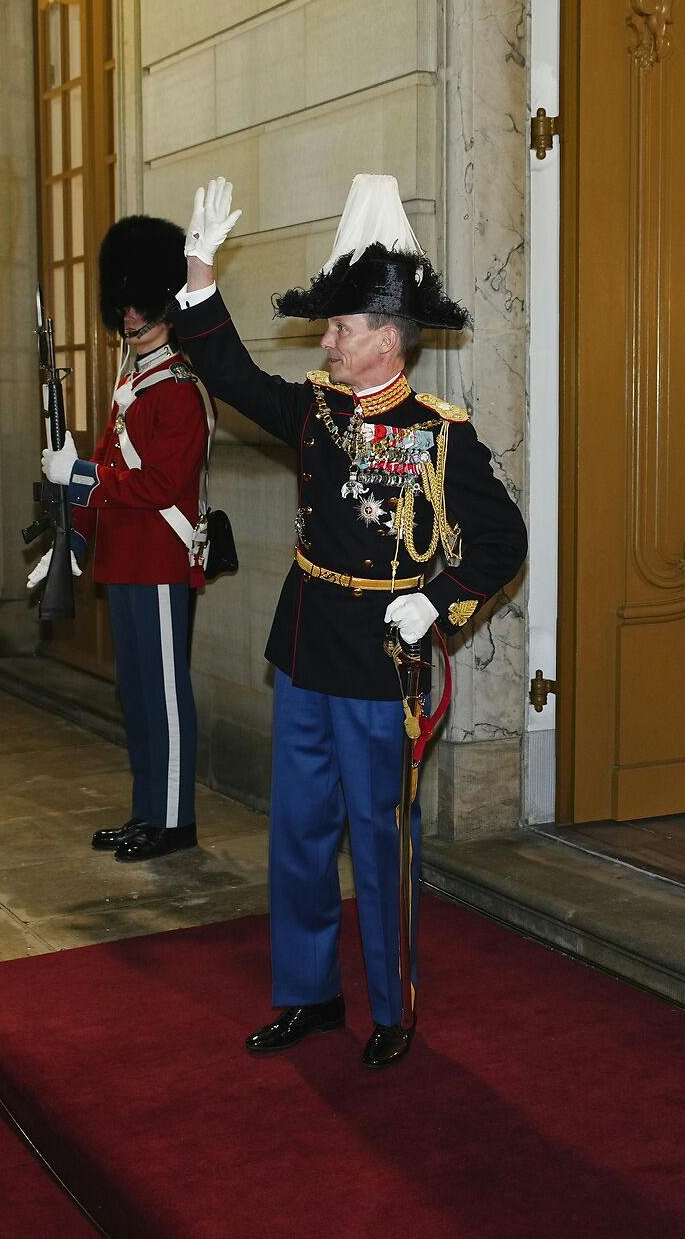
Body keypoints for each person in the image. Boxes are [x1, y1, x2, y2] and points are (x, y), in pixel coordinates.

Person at [165, 173, 527, 1068]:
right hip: (304, 649)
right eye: (327, 328)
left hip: (382, 661)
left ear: (387, 341)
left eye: (339, 328)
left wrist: (437, 602)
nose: (324, 342)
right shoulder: (317, 413)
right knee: (297, 831)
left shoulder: (442, 435)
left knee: (380, 839)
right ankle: (308, 996)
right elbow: (232, 373)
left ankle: (393, 1009)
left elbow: (502, 539)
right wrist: (200, 277)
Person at [33, 215, 215, 862]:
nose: (131, 318)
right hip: (126, 559)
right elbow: (110, 472)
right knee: (135, 694)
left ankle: (175, 822)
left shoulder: (181, 391)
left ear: (165, 305)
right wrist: (72, 540)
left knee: (166, 695)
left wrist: (79, 473)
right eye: (125, 306)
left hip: (163, 558)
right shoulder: (130, 386)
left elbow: (160, 485)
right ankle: (147, 813)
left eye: (141, 307)